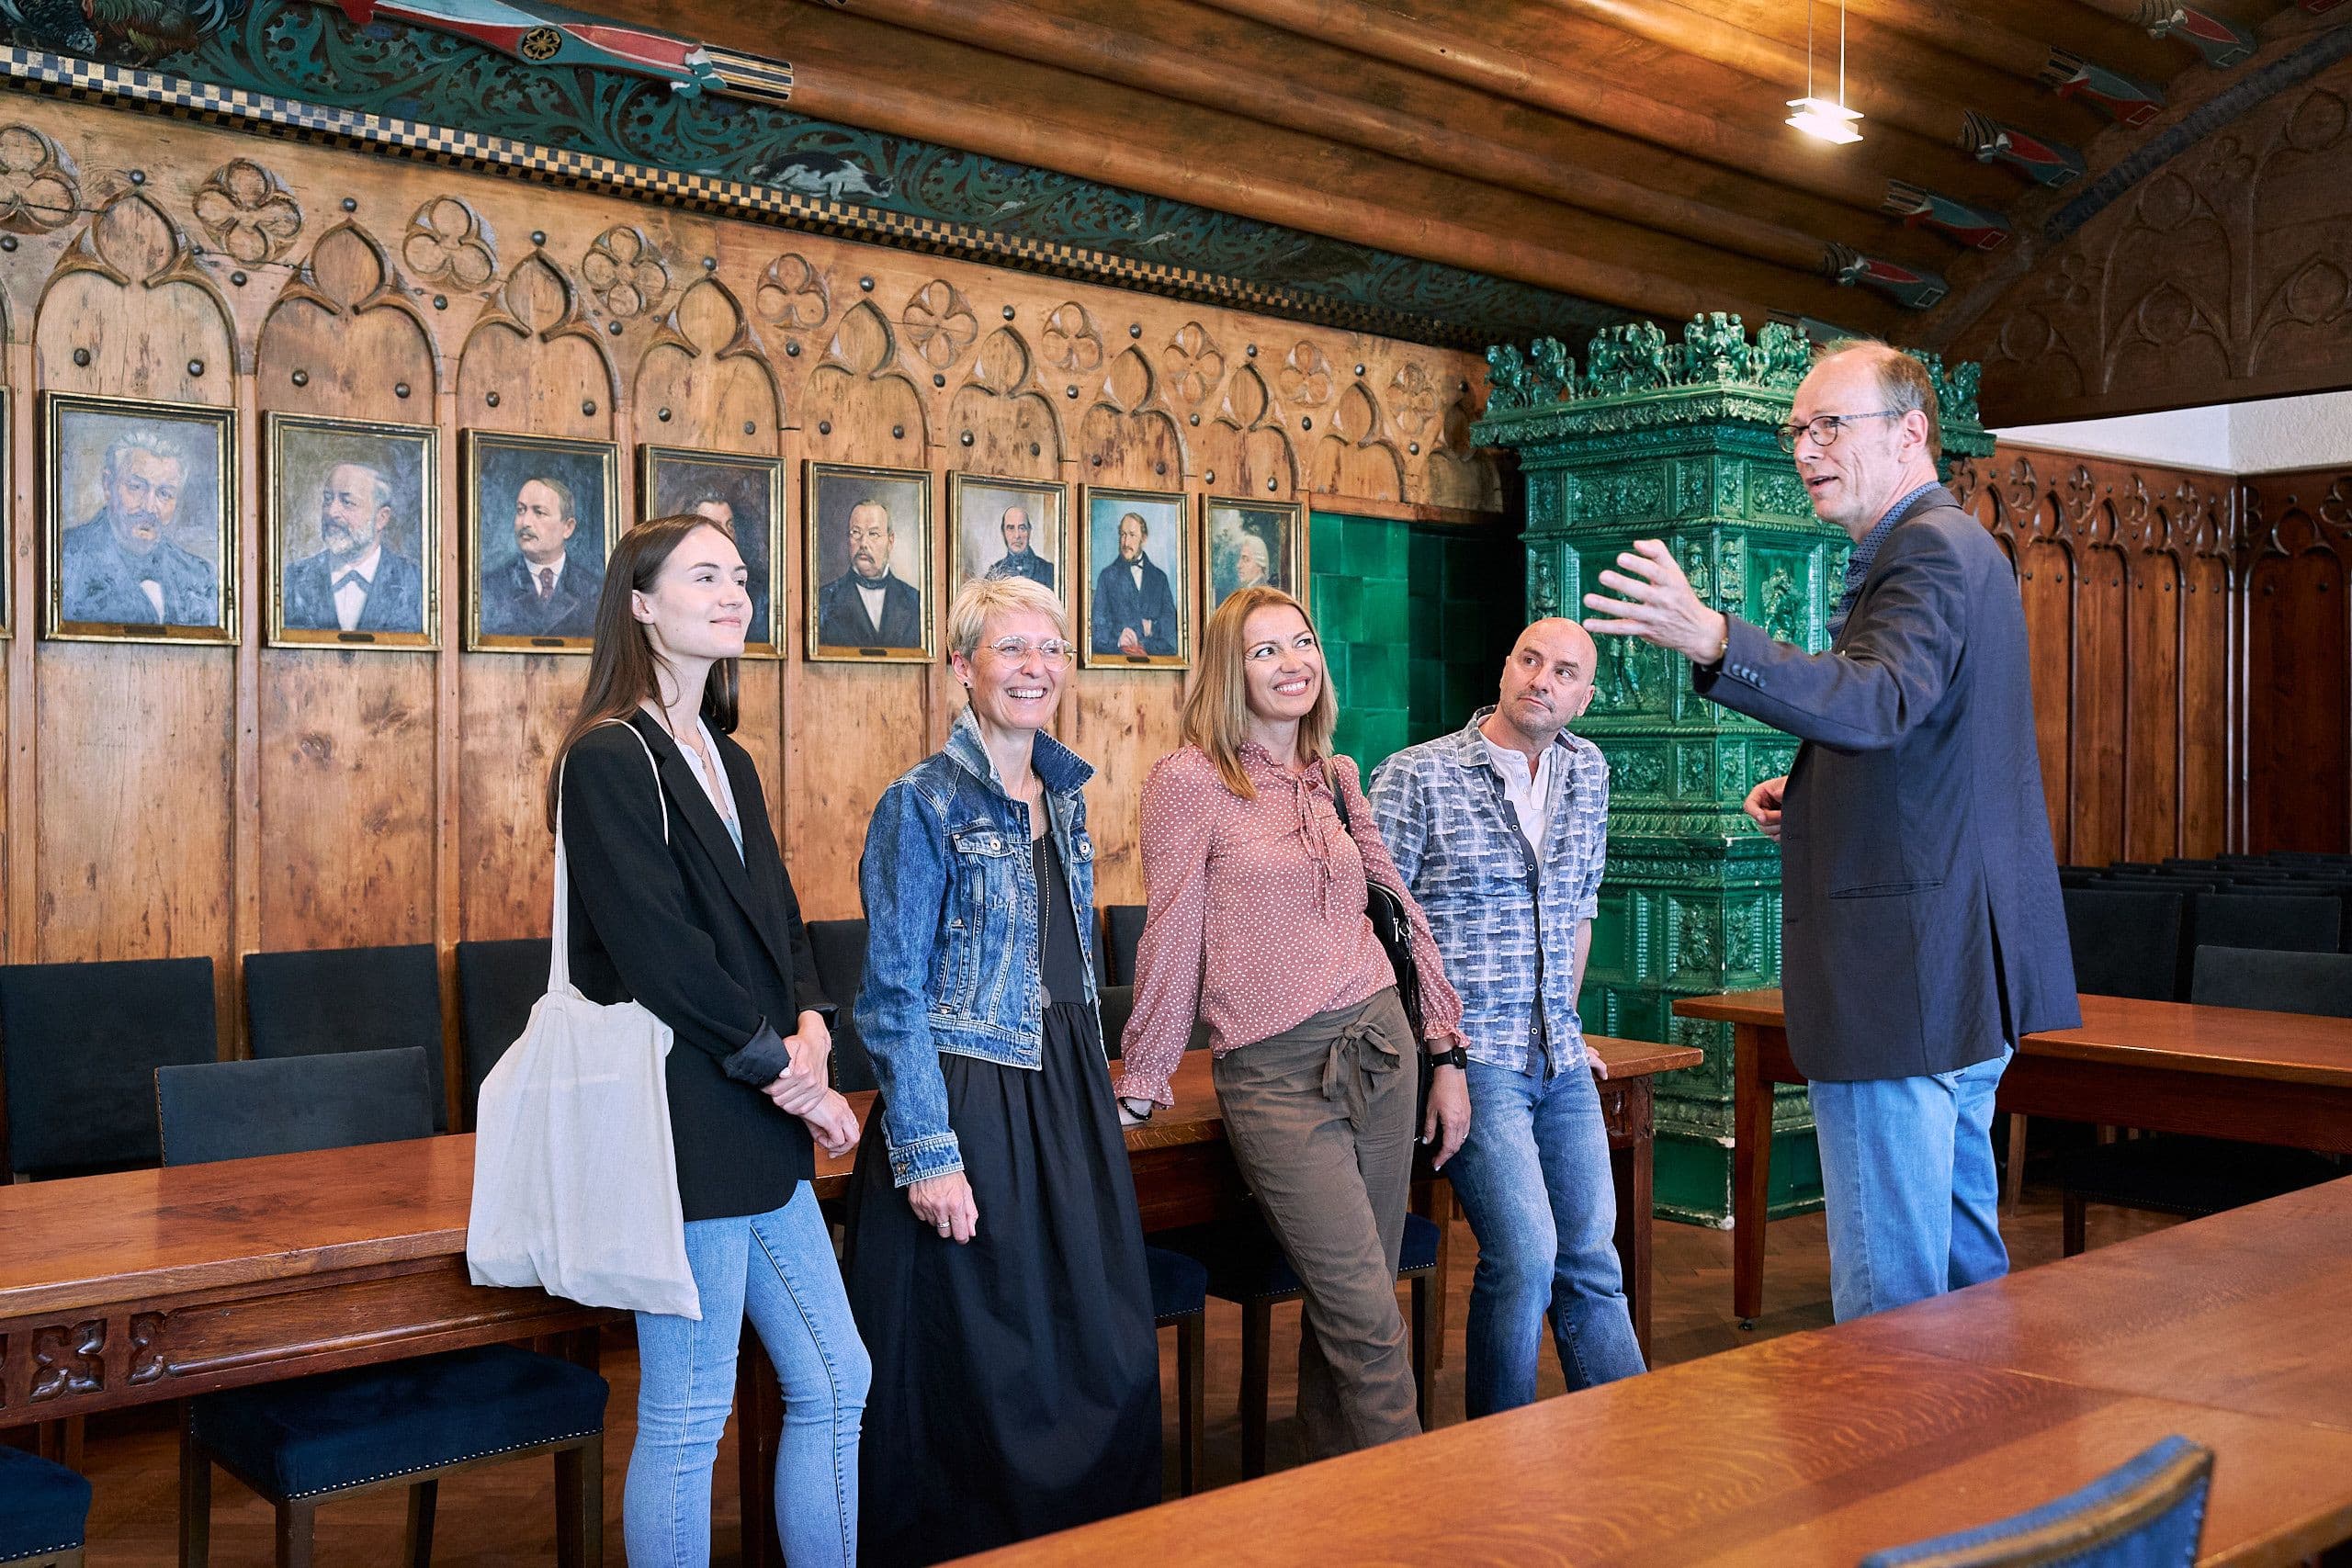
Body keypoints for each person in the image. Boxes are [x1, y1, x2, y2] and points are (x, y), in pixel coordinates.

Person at [1582, 339, 2077, 1323]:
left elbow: (1882, 698)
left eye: (1828, 426)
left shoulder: (1925, 545)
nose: (1804, 449)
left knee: (1891, 1308)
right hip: (1956, 969)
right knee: (1958, 1274)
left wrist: (1718, 640)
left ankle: (1904, 1475)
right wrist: (1811, 795)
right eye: (1795, 430)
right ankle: (1976, 1468)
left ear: (1908, 432)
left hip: (1903, 979)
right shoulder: (1953, 542)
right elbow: (1930, 743)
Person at [546, 513, 867, 1566]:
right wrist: (797, 1080)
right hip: (684, 1124)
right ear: (640, 605)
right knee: (689, 1413)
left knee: (834, 1379)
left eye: (740, 575)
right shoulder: (606, 756)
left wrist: (814, 1019)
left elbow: (780, 921)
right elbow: (663, 958)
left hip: (753, 1119)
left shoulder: (725, 754)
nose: (734, 592)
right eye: (704, 577)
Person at [844, 576, 1159, 1564]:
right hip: (971, 1090)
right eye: (1012, 649)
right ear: (962, 668)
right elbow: (891, 998)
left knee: (1091, 1336)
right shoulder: (919, 802)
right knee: (986, 1351)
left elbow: (1058, 966)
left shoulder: (1064, 794)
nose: (1035, 667)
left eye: (1051, 649)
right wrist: (930, 1153)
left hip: (1064, 1080)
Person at [1116, 584, 1471, 1459]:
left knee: (1350, 1304)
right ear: (1228, 672)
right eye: (1265, 649)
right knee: (1365, 1309)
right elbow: (1171, 935)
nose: (1292, 662)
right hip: (1274, 1075)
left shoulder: (1339, 776)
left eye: (1302, 643)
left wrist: (1446, 1048)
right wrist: (1143, 1073)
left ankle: (1335, 1511)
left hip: (1382, 1047)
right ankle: (1421, 1513)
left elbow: (1396, 905)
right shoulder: (1190, 780)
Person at [1368, 617, 1646, 1416]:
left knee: (1590, 1256)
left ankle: (1634, 1436)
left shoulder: (1588, 771)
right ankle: (1499, 1457)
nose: (1542, 679)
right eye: (1530, 658)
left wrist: (1567, 1018)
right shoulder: (1417, 775)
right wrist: (1434, 1055)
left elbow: (1578, 907)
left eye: (1564, 671)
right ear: (1505, 665)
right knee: (1526, 1254)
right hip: (1470, 1054)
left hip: (1557, 1055)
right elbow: (1382, 927)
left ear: (1583, 698)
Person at [59, 428, 218, 626]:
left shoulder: (199, 576)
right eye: (136, 487)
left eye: (164, 494)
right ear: (108, 485)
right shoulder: (64, 560)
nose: (149, 508)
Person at [281, 460, 426, 634]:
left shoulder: (416, 582)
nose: (331, 512)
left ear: (381, 518)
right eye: (327, 499)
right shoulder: (291, 579)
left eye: (347, 502)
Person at [481, 475, 603, 638]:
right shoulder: (489, 587)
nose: (525, 522)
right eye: (521, 510)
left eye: (539, 512)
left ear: (568, 527)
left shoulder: (596, 591)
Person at [816, 498, 923, 649]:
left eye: (873, 534)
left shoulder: (916, 603)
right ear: (848, 539)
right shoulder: (823, 601)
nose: (863, 543)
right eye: (856, 532)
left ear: (890, 541)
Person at [1089, 509, 1178, 657]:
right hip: (1117, 662)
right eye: (1122, 535)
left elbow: (1172, 630)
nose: (1126, 542)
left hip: (1157, 665)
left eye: (1131, 535)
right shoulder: (1107, 577)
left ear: (1144, 538)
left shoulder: (1159, 578)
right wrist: (1118, 641)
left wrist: (1151, 628)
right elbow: (1097, 629)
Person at [686, 493, 771, 643]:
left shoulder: (759, 586)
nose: (726, 534)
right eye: (715, 526)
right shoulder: (683, 578)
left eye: (730, 525)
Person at [983, 503, 1054, 588]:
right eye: (1011, 528)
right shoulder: (995, 572)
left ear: (1029, 531)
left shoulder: (1048, 570)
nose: (1017, 536)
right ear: (1003, 532)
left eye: (1022, 528)